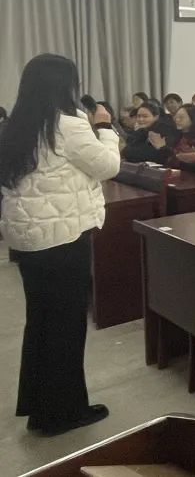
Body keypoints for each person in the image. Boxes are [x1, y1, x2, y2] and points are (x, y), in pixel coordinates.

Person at [0, 54, 119, 436]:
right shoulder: (68, 124)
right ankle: (63, 414)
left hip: (29, 242)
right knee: (66, 327)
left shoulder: (17, 125)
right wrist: (106, 127)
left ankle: (39, 408)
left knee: (41, 322)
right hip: (62, 239)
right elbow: (107, 166)